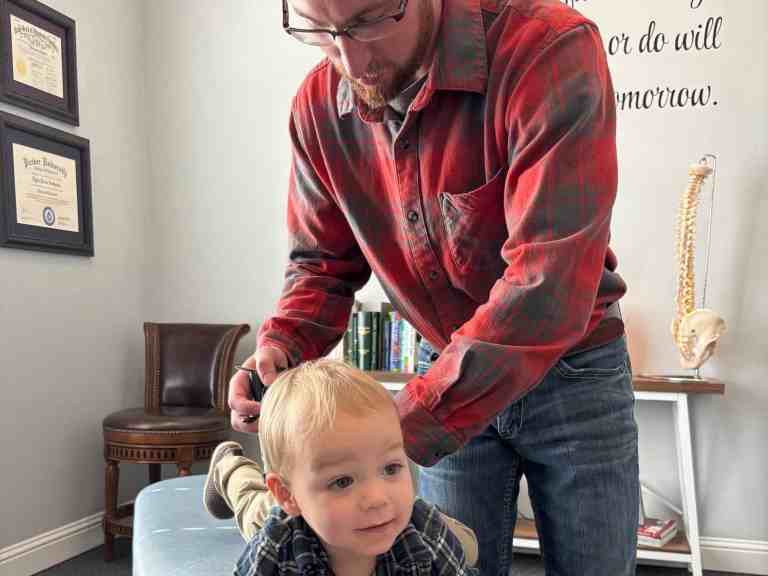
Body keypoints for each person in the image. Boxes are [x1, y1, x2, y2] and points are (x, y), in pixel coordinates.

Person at [230, 1, 639, 574]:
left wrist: (388, 433)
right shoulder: (317, 108)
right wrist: (283, 347)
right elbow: (321, 263)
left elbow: (547, 283)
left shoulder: (547, 48)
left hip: (572, 369)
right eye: (320, 30)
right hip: (440, 361)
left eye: (370, 19)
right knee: (438, 565)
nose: (349, 58)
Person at [205, 359, 478, 576]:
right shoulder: (276, 550)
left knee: (465, 547)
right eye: (342, 481)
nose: (377, 499)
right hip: (292, 521)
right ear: (289, 495)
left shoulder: (423, 534)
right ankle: (228, 465)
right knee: (253, 507)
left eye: (391, 468)